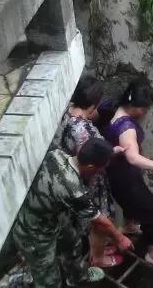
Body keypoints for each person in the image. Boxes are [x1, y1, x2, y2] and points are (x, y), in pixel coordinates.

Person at [12, 139, 129, 287]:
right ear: (91, 166)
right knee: (49, 278)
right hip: (34, 232)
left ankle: (77, 277)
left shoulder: (56, 154)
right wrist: (120, 239)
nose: (101, 172)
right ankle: (31, 279)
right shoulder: (73, 190)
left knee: (73, 244)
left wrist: (112, 152)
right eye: (101, 168)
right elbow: (100, 221)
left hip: (54, 216)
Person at [98, 79, 153, 272]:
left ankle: (129, 225)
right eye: (145, 108)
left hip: (115, 174)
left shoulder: (111, 109)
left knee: (134, 204)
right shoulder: (127, 127)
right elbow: (132, 157)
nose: (145, 113)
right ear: (135, 106)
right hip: (125, 178)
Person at [59, 76, 131, 269]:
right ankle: (97, 257)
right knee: (99, 219)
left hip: (73, 172)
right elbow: (92, 157)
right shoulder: (83, 130)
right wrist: (113, 152)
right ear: (92, 105)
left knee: (92, 220)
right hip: (91, 182)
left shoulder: (65, 114)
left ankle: (95, 249)